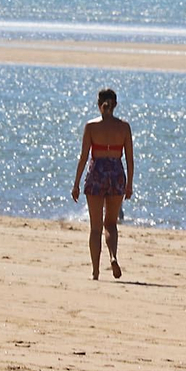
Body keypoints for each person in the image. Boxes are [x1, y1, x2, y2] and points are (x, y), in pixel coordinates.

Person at [70, 88, 134, 280]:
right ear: (115, 105)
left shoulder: (91, 127)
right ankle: (113, 257)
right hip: (116, 174)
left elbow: (83, 157)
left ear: (99, 105)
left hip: (97, 172)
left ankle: (96, 271)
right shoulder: (124, 127)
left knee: (95, 227)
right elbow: (130, 159)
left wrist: (76, 183)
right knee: (111, 224)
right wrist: (129, 184)